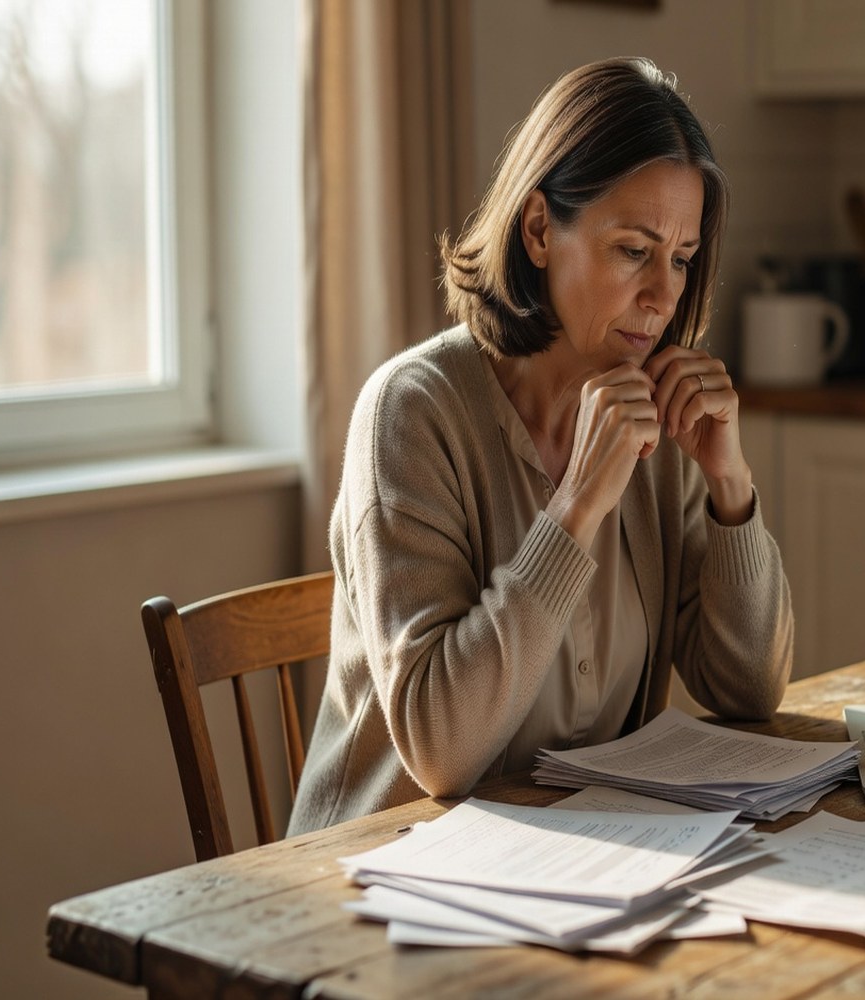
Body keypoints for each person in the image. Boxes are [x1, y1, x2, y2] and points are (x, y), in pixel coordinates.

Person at [288, 57, 794, 835]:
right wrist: (577, 506)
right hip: (382, 881)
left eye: (682, 259)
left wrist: (730, 486)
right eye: (634, 250)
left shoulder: (655, 417)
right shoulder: (411, 413)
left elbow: (750, 690)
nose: (664, 297)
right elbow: (440, 753)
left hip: (584, 864)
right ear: (537, 231)